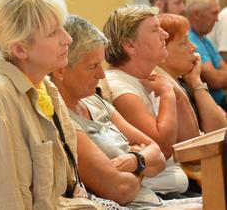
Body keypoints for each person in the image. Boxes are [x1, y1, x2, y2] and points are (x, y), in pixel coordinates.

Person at [0, 0, 101, 210]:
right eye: (53, 33)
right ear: (20, 49)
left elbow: (64, 187)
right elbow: (4, 201)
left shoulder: (44, 86)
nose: (68, 39)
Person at [52, 14, 202, 209]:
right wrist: (142, 162)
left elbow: (157, 155)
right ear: (61, 70)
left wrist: (133, 161)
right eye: (93, 66)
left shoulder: (94, 100)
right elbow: (120, 190)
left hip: (153, 200)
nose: (102, 74)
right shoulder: (63, 119)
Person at [103, 4, 200, 196]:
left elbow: (192, 147)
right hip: (153, 195)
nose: (164, 35)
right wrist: (168, 95)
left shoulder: (153, 77)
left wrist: (179, 97)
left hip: (176, 189)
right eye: (156, 30)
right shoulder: (119, 87)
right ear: (129, 45)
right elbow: (161, 148)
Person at [157, 13, 227, 133]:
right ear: (162, 49)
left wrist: (196, 82)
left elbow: (220, 130)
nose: (194, 47)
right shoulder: (158, 91)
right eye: (184, 43)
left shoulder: (183, 81)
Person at [185, 0, 227, 111]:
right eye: (214, 13)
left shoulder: (204, 39)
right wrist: (219, 75)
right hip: (212, 107)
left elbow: (223, 68)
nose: (217, 19)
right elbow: (215, 80)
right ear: (196, 14)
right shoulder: (190, 40)